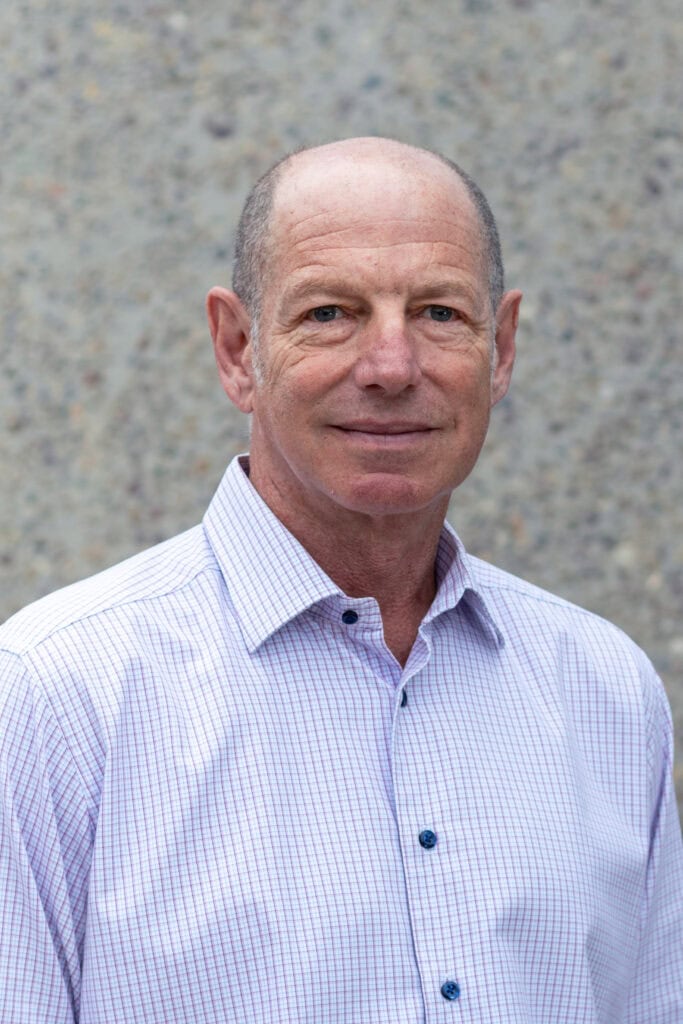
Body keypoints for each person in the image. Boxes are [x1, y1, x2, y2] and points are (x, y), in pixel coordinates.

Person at [0, 137, 681, 1024]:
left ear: (500, 349)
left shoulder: (605, 691)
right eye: (330, 313)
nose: (392, 367)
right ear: (239, 348)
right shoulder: (54, 698)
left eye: (438, 313)